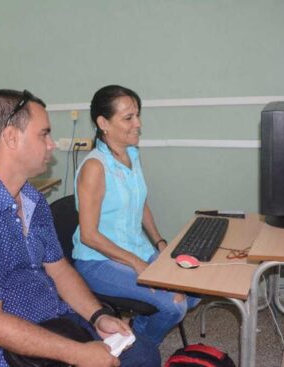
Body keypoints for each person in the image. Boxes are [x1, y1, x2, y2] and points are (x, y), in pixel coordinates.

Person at [0, 89, 160, 367]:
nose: (52, 145)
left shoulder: (33, 199)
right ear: (11, 137)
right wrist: (77, 353)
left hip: (55, 321)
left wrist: (97, 316)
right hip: (7, 351)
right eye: (44, 134)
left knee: (144, 355)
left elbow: (59, 269)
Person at [72, 85, 200, 346]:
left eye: (138, 115)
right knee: (174, 305)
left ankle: (132, 331)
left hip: (136, 250)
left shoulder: (131, 154)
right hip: (98, 261)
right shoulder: (95, 167)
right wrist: (138, 265)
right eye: (128, 118)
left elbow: (140, 204)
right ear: (103, 122)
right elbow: (89, 235)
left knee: (196, 287)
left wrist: (160, 244)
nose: (138, 124)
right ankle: (138, 348)